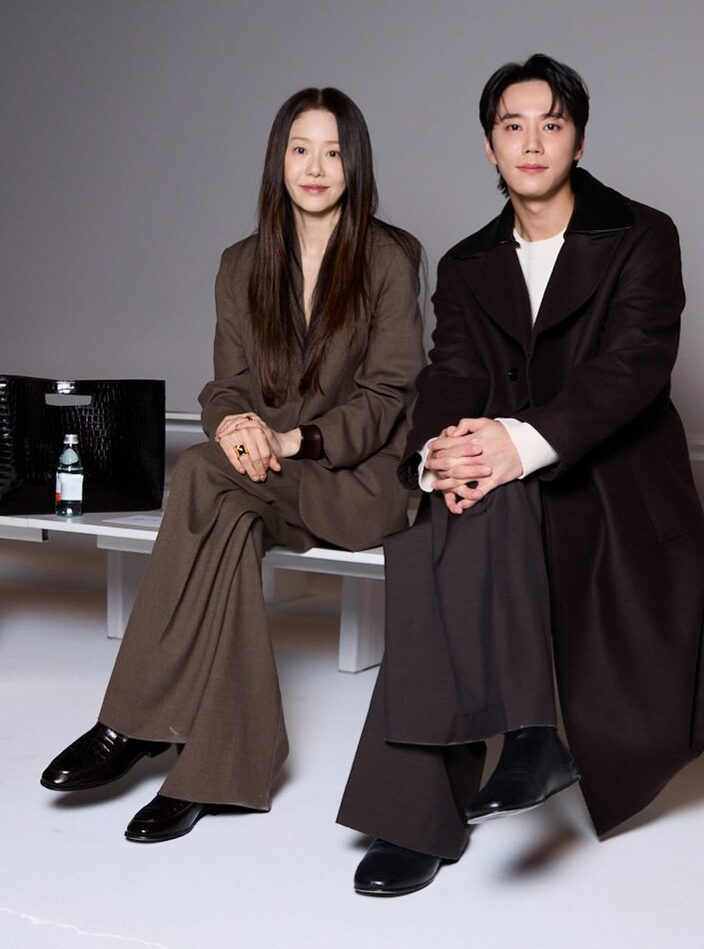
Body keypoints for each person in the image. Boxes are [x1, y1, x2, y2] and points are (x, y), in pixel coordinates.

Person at [337, 53, 704, 895]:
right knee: (458, 510)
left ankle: (426, 807)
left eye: (550, 125)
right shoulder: (467, 263)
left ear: (578, 142)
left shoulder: (642, 235)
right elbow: (450, 374)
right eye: (512, 126)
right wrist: (439, 455)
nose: (531, 143)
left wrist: (516, 445)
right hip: (505, 488)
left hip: (615, 487)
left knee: (472, 515)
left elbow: (633, 367)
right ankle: (528, 740)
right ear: (489, 147)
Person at [41, 86, 423, 842]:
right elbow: (227, 385)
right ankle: (219, 768)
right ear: (278, 159)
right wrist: (232, 423)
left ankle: (133, 723)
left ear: (356, 164)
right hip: (262, 477)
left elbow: (389, 394)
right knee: (225, 510)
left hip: (351, 479)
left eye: (333, 152)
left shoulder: (390, 257)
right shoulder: (241, 263)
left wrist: (293, 440)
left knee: (197, 474)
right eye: (300, 149)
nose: (315, 168)